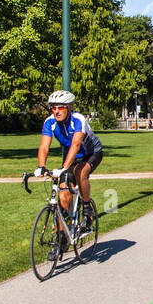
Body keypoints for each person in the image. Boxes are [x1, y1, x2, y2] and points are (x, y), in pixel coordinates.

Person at [34, 91, 103, 256]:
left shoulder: (78, 120)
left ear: (69, 107)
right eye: (53, 108)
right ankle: (61, 239)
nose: (56, 111)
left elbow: (76, 144)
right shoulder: (49, 122)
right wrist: (41, 166)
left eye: (60, 108)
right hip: (72, 158)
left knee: (81, 172)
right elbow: (44, 146)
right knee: (63, 194)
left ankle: (87, 209)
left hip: (91, 153)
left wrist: (64, 167)